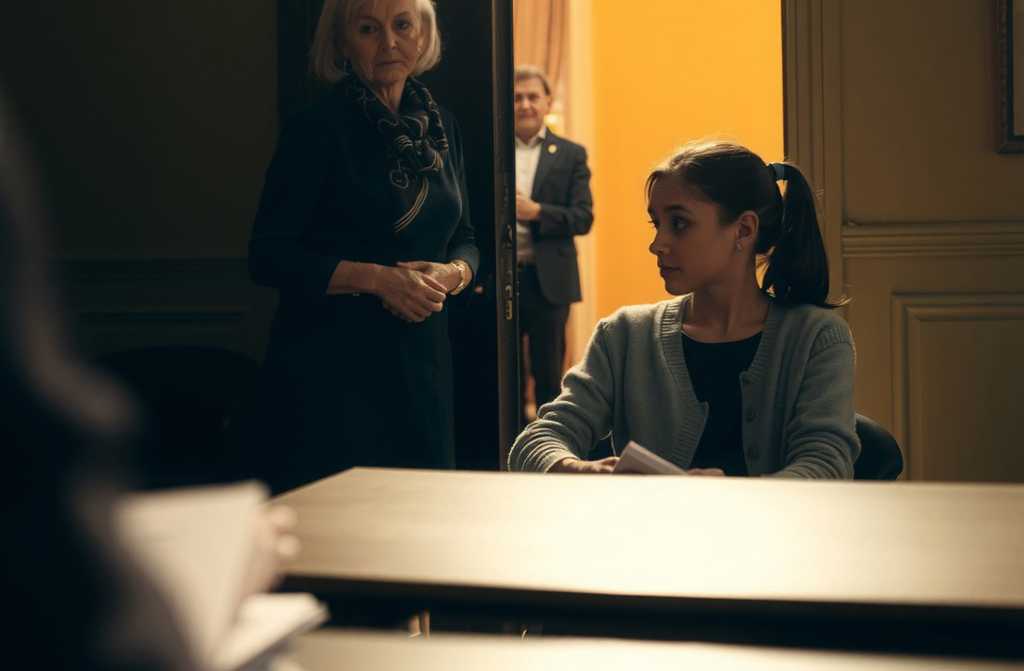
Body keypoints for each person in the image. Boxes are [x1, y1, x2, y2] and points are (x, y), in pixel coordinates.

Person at [508, 139, 860, 478]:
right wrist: (582, 470)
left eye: (679, 224)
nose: (657, 244)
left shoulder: (817, 338)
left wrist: (730, 499)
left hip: (771, 524)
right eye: (656, 223)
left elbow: (826, 465)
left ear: (744, 230)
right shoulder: (623, 335)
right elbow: (536, 441)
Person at [244, 0, 478, 493]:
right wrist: (379, 280)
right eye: (369, 29)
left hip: (423, 366)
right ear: (342, 43)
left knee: (423, 515)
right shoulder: (316, 128)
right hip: (333, 372)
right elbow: (268, 256)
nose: (389, 42)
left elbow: (467, 239)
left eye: (402, 25)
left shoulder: (443, 126)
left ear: (423, 34)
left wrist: (454, 274)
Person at [513, 65, 594, 422]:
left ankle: (549, 442)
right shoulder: (492, 149)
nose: (525, 105)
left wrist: (536, 212)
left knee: (548, 374)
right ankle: (509, 446)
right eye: (517, 98)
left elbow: (582, 217)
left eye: (533, 97)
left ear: (547, 101)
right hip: (502, 281)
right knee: (504, 375)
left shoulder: (571, 154)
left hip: (549, 282)